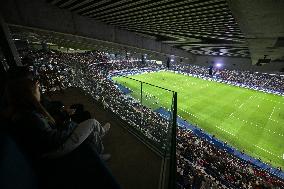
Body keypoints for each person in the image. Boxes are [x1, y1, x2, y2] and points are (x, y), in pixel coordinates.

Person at [1, 77, 111, 160]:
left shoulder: (23, 112)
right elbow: (54, 140)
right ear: (30, 95)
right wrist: (69, 125)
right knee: (91, 123)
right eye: (38, 90)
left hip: (48, 147)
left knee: (91, 131)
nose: (40, 92)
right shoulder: (31, 117)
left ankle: (99, 134)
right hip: (54, 150)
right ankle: (99, 152)